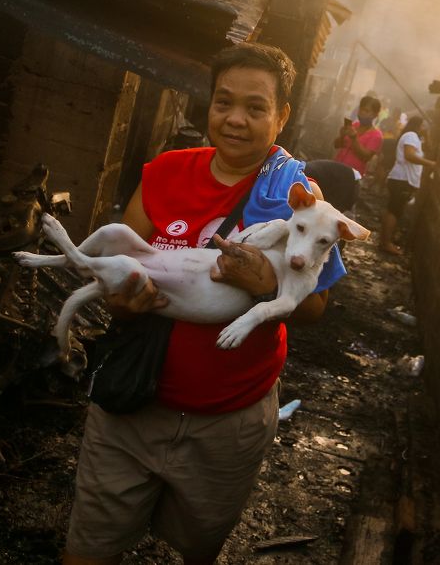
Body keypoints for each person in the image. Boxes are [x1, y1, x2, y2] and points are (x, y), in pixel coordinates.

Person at [62, 43, 346, 565]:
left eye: (256, 107)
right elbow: (121, 269)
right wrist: (125, 303)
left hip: (228, 420)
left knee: (199, 545)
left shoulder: (297, 195)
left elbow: (314, 307)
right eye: (223, 102)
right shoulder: (166, 172)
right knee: (89, 548)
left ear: (281, 116)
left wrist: (264, 283)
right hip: (132, 406)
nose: (235, 119)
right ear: (208, 105)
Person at [379, 116, 435, 255]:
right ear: (418, 125)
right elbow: (409, 155)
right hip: (402, 179)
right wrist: (431, 164)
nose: (425, 129)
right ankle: (386, 243)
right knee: (395, 210)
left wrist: (427, 136)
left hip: (403, 179)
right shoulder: (410, 135)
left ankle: (384, 241)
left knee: (393, 209)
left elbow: (429, 148)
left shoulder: (416, 138)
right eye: (424, 126)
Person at [333, 95, 383, 178]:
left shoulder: (376, 135)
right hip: (335, 168)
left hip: (352, 175)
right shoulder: (353, 125)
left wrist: (354, 139)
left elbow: (365, 157)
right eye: (361, 109)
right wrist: (342, 136)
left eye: (366, 111)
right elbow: (336, 145)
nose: (362, 113)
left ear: (375, 115)